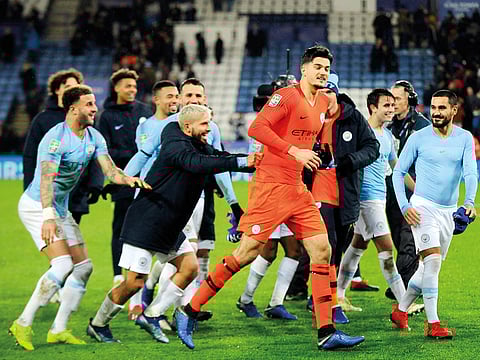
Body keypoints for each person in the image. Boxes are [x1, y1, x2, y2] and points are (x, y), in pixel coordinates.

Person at [177, 45, 365, 351]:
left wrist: (314, 154)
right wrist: (295, 151)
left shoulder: (320, 103)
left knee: (321, 250)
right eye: (318, 66)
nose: (323, 72)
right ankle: (188, 310)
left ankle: (326, 331)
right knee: (246, 254)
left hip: (296, 188)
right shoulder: (287, 96)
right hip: (271, 187)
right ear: (304, 69)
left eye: (327, 68)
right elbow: (257, 127)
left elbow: (301, 137)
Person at [87, 104, 258, 344]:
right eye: (205, 124)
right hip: (147, 221)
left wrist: (250, 162)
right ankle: (98, 324)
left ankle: (153, 314)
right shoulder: (176, 146)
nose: (209, 128)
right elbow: (198, 163)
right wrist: (240, 164)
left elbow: (216, 156)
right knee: (134, 282)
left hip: (170, 224)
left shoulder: (194, 142)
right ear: (188, 127)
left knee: (190, 268)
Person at [9, 85, 150, 351]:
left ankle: (59, 329)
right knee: (62, 266)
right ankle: (23, 322)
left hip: (59, 209)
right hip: (38, 206)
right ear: (73, 108)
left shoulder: (93, 136)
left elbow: (109, 170)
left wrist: (128, 179)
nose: (95, 108)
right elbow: (46, 181)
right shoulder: (55, 139)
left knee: (83, 268)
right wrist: (49, 217)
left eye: (94, 103)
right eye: (89, 104)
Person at [391, 89, 477, 338]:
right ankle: (433, 324)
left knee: (427, 270)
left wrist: (469, 202)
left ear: (454, 110)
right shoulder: (418, 138)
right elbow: (398, 172)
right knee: (433, 261)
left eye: (441, 108)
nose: (436, 112)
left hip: (448, 212)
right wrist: (405, 206)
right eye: (433, 107)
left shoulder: (464, 138)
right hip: (422, 208)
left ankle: (401, 310)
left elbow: (470, 172)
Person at [304, 73, 380, 319]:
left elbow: (372, 148)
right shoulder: (309, 116)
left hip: (346, 192)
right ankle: (329, 304)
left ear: (336, 93)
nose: (323, 96)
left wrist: (350, 161)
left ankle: (321, 297)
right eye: (320, 92)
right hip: (318, 188)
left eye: (328, 91)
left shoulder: (353, 117)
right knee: (329, 244)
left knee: (336, 249)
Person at [336, 89, 416, 318]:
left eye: (393, 105)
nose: (391, 109)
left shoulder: (388, 137)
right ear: (372, 107)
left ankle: (338, 296)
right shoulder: (363, 133)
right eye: (386, 105)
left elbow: (397, 170)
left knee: (357, 247)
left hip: (378, 198)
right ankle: (404, 304)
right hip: (366, 198)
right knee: (387, 250)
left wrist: (419, 191)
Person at [97, 69, 153, 318]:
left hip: (145, 180)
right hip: (121, 181)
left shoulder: (144, 111)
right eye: (127, 86)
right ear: (117, 88)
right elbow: (104, 152)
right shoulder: (106, 116)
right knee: (120, 229)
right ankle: (118, 276)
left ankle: (140, 284)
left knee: (143, 229)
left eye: (134, 86)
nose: (132, 89)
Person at [23, 68, 104, 225]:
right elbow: (30, 156)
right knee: (53, 241)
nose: (73, 90)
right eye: (68, 87)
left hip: (78, 191)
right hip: (49, 192)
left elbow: (96, 153)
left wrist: (96, 184)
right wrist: (29, 188)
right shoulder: (42, 120)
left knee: (71, 240)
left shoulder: (87, 118)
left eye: (76, 87)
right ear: (56, 90)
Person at [385, 80, 430, 300]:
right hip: (392, 190)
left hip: (414, 191)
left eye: (398, 99)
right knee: (396, 236)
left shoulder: (421, 126)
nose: (393, 104)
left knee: (407, 239)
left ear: (410, 101)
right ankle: (411, 280)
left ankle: (404, 286)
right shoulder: (389, 125)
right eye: (391, 100)